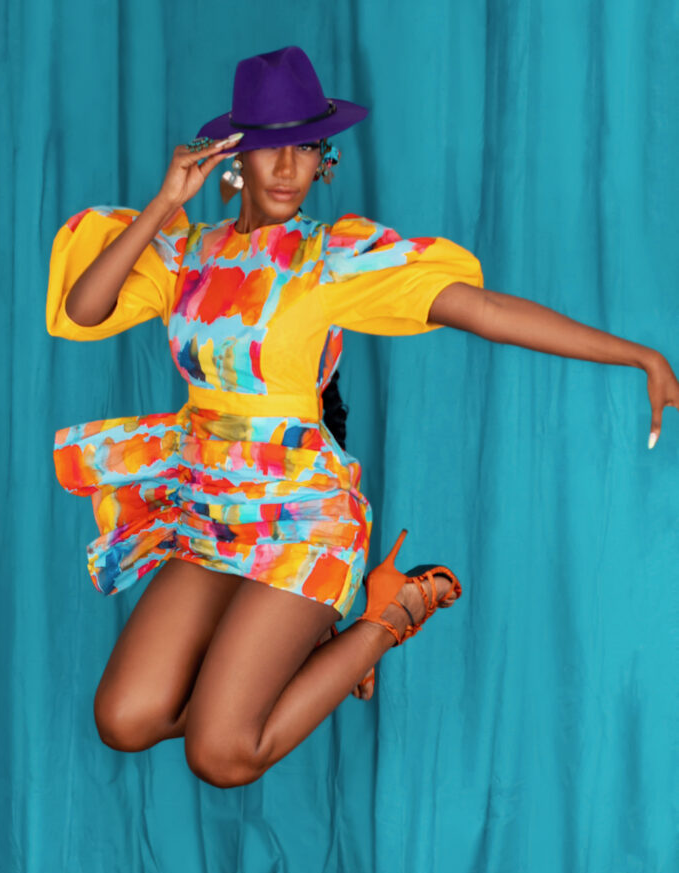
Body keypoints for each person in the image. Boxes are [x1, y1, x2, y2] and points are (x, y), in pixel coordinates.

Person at [46, 46, 678, 789]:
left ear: (324, 162)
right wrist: (163, 204)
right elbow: (85, 307)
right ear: (233, 159)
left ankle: (391, 611)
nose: (288, 169)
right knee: (126, 720)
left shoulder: (329, 257)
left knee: (221, 754)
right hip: (209, 505)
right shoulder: (186, 253)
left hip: (301, 514)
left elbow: (484, 309)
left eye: (306, 149)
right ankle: (311, 664)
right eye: (268, 149)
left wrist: (636, 355)